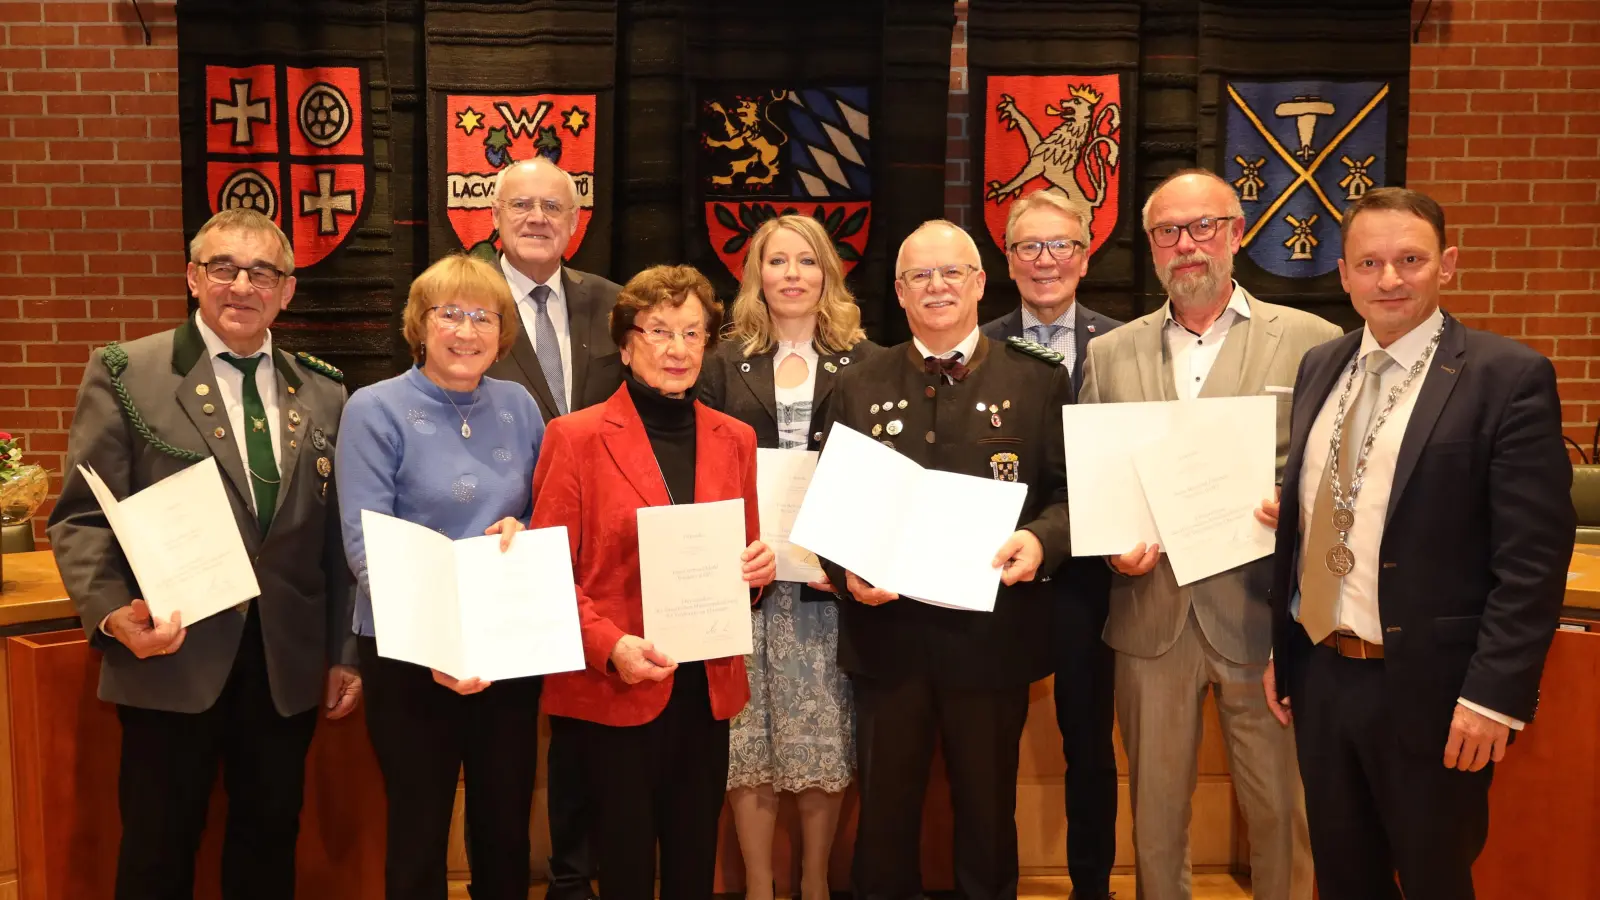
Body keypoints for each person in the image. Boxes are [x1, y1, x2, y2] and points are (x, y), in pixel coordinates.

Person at [1262, 188, 1574, 900]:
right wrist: (1286, 645)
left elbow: (1532, 560)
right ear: (1343, 274)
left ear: (1447, 265)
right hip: (1321, 675)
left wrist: (1493, 697)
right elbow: (1315, 517)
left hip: (1435, 693)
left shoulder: (1507, 377)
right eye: (1370, 263)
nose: (1390, 279)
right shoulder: (1321, 365)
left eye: (1410, 259)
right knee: (1345, 880)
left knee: (1436, 880)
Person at [47, 208, 361, 900]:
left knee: (268, 848)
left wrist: (344, 650)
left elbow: (335, 537)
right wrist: (111, 615)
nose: (242, 286)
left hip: (284, 664)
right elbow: (81, 516)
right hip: (170, 652)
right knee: (157, 852)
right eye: (224, 268)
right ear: (194, 277)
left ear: (287, 290)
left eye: (263, 273)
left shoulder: (324, 389)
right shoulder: (129, 372)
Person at [1078, 169, 1338, 900]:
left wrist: (1297, 508)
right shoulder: (1110, 353)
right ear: (1150, 246)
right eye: (1168, 231)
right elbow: (1098, 478)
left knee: (1282, 810)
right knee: (1156, 817)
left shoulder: (1313, 342)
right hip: (1151, 615)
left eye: (1204, 226)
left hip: (1264, 618)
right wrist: (1113, 546)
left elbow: (1339, 474)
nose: (1187, 245)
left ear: (1237, 233)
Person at [817, 220, 1073, 900]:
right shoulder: (857, 383)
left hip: (991, 638)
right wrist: (847, 571)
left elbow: (1070, 495)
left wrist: (1041, 540)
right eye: (920, 276)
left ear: (980, 283)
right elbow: (828, 507)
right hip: (887, 637)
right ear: (899, 292)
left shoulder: (1037, 380)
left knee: (988, 813)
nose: (937, 287)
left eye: (952, 272)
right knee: (885, 815)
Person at [531, 264, 777, 900]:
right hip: (614, 684)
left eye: (693, 333)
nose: (677, 348)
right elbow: (546, 573)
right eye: (659, 331)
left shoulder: (736, 439)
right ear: (625, 344)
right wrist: (610, 645)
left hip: (704, 688)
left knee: (694, 865)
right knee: (625, 868)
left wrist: (757, 573)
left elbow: (745, 555)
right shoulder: (575, 437)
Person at [335, 254, 544, 900]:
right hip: (408, 652)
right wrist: (437, 646)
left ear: (502, 332)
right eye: (449, 313)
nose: (466, 330)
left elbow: (549, 508)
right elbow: (365, 543)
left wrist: (525, 529)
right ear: (419, 325)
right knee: (418, 829)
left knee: (505, 825)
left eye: (484, 316)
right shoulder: (375, 409)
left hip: (504, 644)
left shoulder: (519, 406)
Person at [698, 214, 877, 900]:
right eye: (777, 262)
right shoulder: (720, 362)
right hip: (744, 582)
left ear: (828, 273)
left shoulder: (868, 361)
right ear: (757, 275)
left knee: (821, 735)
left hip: (827, 588)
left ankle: (815, 883)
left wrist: (847, 556)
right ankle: (759, 887)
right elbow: (702, 467)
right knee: (749, 744)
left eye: (807, 261)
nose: (792, 274)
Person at [482, 156, 620, 900]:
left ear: (575, 223)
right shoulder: (464, 302)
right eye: (521, 205)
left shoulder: (613, 302)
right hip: (501, 542)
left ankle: (577, 875)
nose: (537, 218)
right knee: (504, 739)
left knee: (585, 721)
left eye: (553, 208)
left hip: (600, 549)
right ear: (493, 218)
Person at [979, 189, 1121, 900]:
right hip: (1000, 572)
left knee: (1089, 742)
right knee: (988, 747)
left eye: (1060, 245)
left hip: (1093, 575)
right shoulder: (976, 345)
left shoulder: (1125, 344)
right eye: (1028, 247)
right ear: (1007, 262)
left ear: (1085, 257)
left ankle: (1092, 885)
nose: (1045, 261)